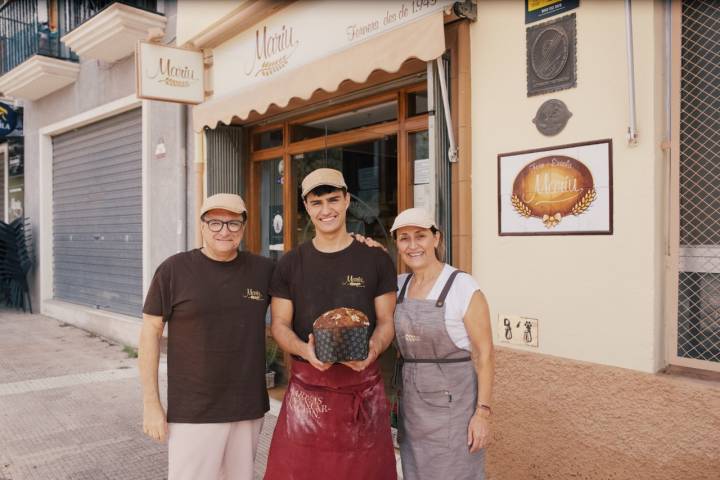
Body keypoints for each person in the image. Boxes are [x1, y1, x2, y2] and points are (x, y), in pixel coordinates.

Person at [265, 168, 398, 480]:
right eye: (317, 202)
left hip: (362, 393)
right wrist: (304, 350)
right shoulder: (290, 263)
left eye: (333, 199)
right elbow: (280, 325)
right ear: (307, 208)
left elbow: (386, 321)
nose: (326, 210)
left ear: (347, 200)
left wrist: (374, 349)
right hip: (307, 395)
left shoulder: (375, 259)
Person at [138, 193, 274, 480]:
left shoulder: (263, 271)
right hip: (194, 411)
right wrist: (151, 404)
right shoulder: (173, 270)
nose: (224, 230)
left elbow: (306, 277)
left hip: (247, 408)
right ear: (201, 226)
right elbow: (149, 334)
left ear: (244, 227)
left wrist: (360, 245)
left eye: (233, 223)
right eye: (215, 223)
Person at [391, 207, 494, 480]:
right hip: (412, 408)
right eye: (404, 238)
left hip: (455, 411)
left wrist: (482, 413)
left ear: (436, 238)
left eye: (420, 236)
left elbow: (484, 355)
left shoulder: (462, 287)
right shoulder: (398, 286)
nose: (413, 245)